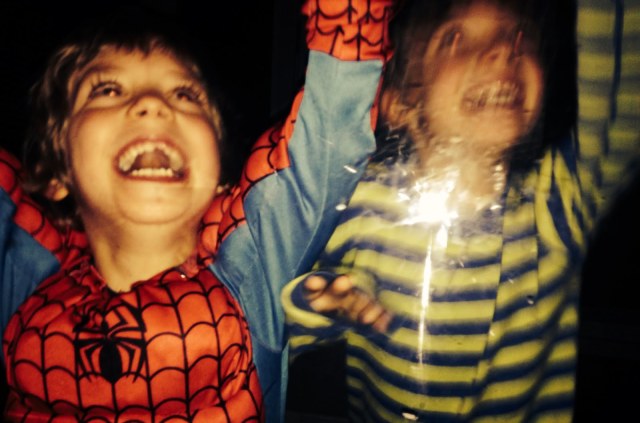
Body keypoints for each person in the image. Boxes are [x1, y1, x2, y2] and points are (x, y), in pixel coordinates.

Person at [0, 1, 393, 421]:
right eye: (108, 89)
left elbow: (328, 136)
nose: (152, 104)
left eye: (185, 94)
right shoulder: (22, 273)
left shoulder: (251, 277)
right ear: (56, 172)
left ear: (220, 175)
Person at [282, 0, 639, 421]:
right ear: (401, 101)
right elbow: (277, 318)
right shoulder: (362, 202)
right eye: (454, 39)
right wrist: (321, 300)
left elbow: (621, 91)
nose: (504, 51)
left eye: (518, 37)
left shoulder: (555, 207)